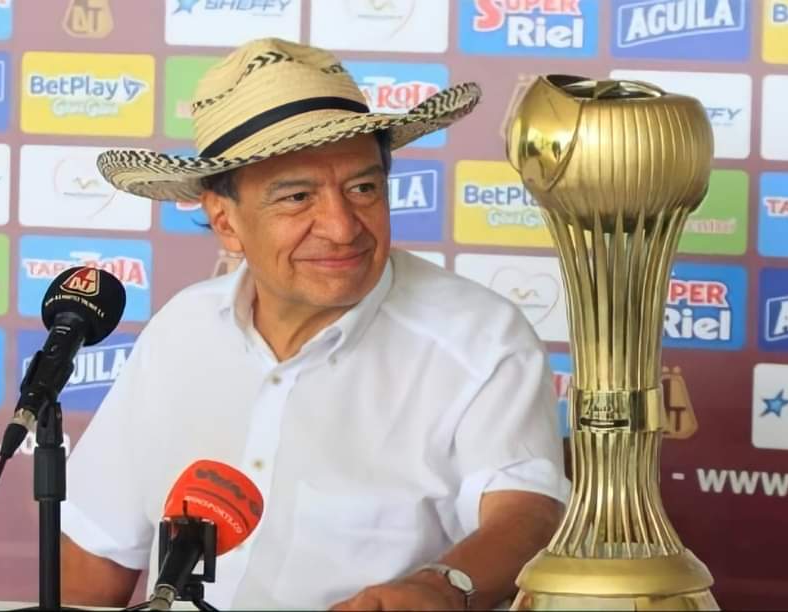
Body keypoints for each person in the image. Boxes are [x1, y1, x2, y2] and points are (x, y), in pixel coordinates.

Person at [60, 37, 569, 611]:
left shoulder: (481, 337)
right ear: (225, 221)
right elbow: (97, 552)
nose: (342, 227)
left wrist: (441, 587)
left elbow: (529, 514)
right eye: (298, 197)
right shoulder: (180, 330)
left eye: (363, 188)